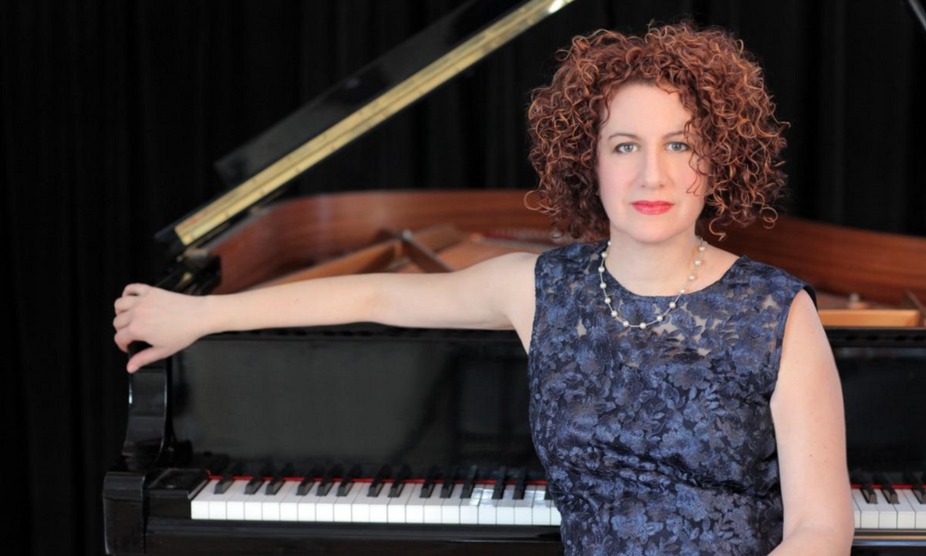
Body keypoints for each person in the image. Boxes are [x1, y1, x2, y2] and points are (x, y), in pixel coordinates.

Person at [114, 21, 854, 555]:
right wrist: (199, 314)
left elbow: (822, 529)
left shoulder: (778, 311)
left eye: (679, 144)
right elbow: (372, 298)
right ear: (589, 163)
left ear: (716, 160)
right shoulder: (540, 289)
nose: (651, 175)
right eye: (624, 145)